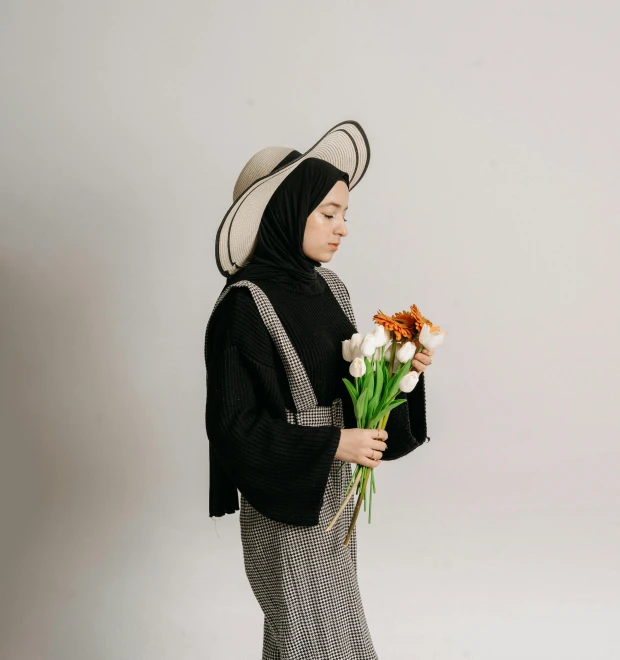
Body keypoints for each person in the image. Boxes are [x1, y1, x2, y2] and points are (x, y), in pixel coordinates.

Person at [204, 120, 433, 659]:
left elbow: (349, 388)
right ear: (284, 213)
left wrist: (401, 371)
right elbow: (233, 428)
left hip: (332, 494)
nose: (342, 229)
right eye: (329, 214)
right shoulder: (243, 305)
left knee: (329, 638)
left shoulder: (330, 287)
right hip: (284, 495)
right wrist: (332, 444)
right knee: (309, 639)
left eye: (344, 215)